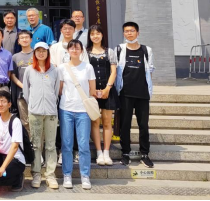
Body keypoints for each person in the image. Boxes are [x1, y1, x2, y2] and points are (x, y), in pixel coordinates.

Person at [116, 22, 155, 169]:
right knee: (125, 124)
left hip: (142, 93)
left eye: (132, 31)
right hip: (125, 93)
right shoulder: (120, 49)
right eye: (126, 31)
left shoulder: (146, 50)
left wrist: (149, 88)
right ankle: (125, 152)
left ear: (137, 33)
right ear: (123, 33)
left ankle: (144, 153)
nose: (129, 33)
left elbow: (150, 70)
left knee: (143, 125)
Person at [58, 40, 96, 191]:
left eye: (77, 48)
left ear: (82, 50)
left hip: (83, 110)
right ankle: (67, 174)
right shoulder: (62, 68)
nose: (74, 50)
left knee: (83, 144)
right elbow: (60, 89)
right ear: (68, 50)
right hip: (66, 109)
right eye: (72, 48)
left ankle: (85, 175)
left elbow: (92, 89)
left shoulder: (88, 67)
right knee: (66, 144)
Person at [23, 42, 60, 190]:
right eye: (38, 50)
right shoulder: (29, 70)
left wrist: (50, 104)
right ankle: (36, 174)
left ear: (47, 53)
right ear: (34, 53)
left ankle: (50, 175)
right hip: (35, 112)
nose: (41, 53)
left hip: (51, 112)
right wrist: (33, 105)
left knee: (51, 145)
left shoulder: (54, 70)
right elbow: (26, 92)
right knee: (36, 144)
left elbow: (56, 91)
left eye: (43, 50)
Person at [51, 19, 88, 165]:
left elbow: (85, 67)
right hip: (59, 89)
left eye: (70, 28)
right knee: (61, 123)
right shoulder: (55, 47)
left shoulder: (79, 46)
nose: (67, 31)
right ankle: (62, 151)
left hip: (77, 91)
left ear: (74, 30)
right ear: (61, 30)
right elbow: (52, 66)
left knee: (78, 123)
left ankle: (77, 150)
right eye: (65, 28)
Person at [88, 25, 119, 167]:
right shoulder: (86, 52)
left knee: (107, 122)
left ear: (102, 35)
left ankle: (106, 152)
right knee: (95, 122)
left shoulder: (109, 52)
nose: (95, 36)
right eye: (92, 34)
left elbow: (113, 72)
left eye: (98, 33)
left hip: (108, 91)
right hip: (92, 92)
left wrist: (107, 88)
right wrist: (92, 90)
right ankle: (99, 152)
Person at [10, 30, 34, 131]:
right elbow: (13, 75)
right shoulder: (15, 57)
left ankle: (38, 141)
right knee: (25, 121)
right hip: (21, 94)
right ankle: (28, 141)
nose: (24, 40)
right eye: (22, 38)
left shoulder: (37, 54)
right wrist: (23, 86)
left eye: (26, 37)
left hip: (36, 93)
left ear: (31, 39)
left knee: (36, 119)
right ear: (18, 41)